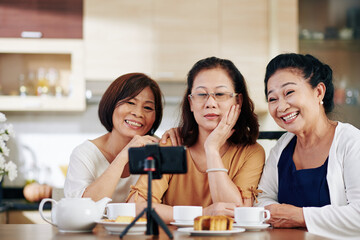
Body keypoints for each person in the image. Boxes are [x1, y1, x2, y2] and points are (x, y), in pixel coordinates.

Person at [127, 57, 265, 223]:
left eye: (220, 94)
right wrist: (202, 213)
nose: (210, 103)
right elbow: (136, 207)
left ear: (238, 101)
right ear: (191, 102)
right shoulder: (172, 145)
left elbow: (238, 215)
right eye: (201, 94)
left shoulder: (251, 152)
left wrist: (212, 148)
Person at [254, 53, 360, 239]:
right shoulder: (282, 147)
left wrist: (300, 216)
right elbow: (261, 200)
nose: (281, 107)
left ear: (318, 92)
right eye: (273, 99)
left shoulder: (351, 142)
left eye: (289, 93)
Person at [64, 73, 163, 202]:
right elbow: (81, 208)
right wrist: (124, 156)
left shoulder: (158, 151)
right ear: (111, 104)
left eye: (148, 107)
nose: (138, 113)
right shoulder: (84, 154)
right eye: (130, 102)